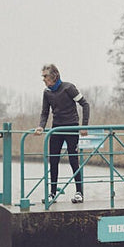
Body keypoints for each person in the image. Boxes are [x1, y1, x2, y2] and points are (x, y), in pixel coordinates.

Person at [37, 63, 90, 203]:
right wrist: (41, 126)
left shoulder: (68, 88)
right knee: (53, 160)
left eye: (45, 77)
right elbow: (44, 112)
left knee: (73, 160)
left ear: (54, 76)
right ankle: (52, 194)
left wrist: (84, 126)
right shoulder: (47, 92)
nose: (43, 79)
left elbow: (85, 104)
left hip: (71, 127)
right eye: (42, 77)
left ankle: (79, 193)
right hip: (56, 128)